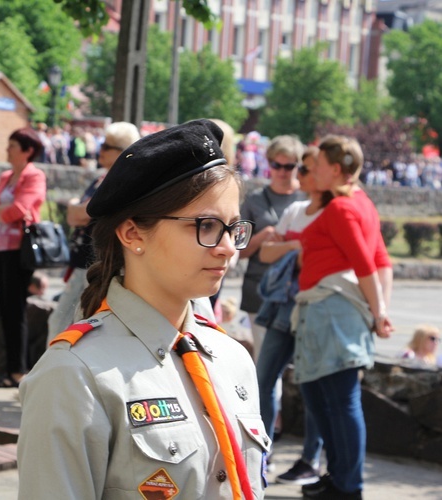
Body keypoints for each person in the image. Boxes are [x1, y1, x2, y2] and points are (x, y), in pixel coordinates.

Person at [18, 119, 268, 499]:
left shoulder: (233, 360)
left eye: (233, 228)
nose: (228, 247)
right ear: (133, 233)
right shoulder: (75, 376)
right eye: (205, 226)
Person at [295, 135, 393, 500]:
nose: (312, 169)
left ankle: (347, 486)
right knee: (328, 398)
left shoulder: (341, 209)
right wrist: (378, 310)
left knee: (338, 400)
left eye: (317, 164)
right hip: (335, 312)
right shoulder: (361, 204)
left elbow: (368, 263)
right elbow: (382, 262)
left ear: (336, 170)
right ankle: (340, 477)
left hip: (332, 311)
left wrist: (379, 311)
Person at [255, 147, 328, 485]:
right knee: (263, 379)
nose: (297, 172)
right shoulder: (298, 210)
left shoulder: (332, 212)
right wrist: (296, 248)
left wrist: (292, 248)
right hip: (284, 304)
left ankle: (311, 459)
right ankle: (261, 453)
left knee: (312, 383)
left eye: (304, 167)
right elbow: (267, 253)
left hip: (315, 305)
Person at [47, 121, 141, 341]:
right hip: (84, 261)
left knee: (69, 324)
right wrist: (76, 208)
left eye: (107, 147)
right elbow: (76, 214)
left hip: (97, 264)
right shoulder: (102, 178)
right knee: (63, 322)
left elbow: (80, 213)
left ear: (121, 152)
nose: (101, 150)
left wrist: (75, 206)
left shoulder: (119, 183)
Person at [0, 127, 46, 388]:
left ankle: (18, 370)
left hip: (19, 250)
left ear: (27, 151)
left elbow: (20, 209)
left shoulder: (35, 175)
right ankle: (11, 369)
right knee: (5, 309)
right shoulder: (7, 176)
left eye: (12, 146)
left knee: (15, 308)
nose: (7, 150)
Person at [240, 135, 305, 362]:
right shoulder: (254, 200)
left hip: (298, 287)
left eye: (289, 166)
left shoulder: (308, 199)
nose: (283, 171)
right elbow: (239, 251)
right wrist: (262, 237)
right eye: (277, 165)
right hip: (260, 287)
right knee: (264, 361)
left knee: (299, 360)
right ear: (269, 164)